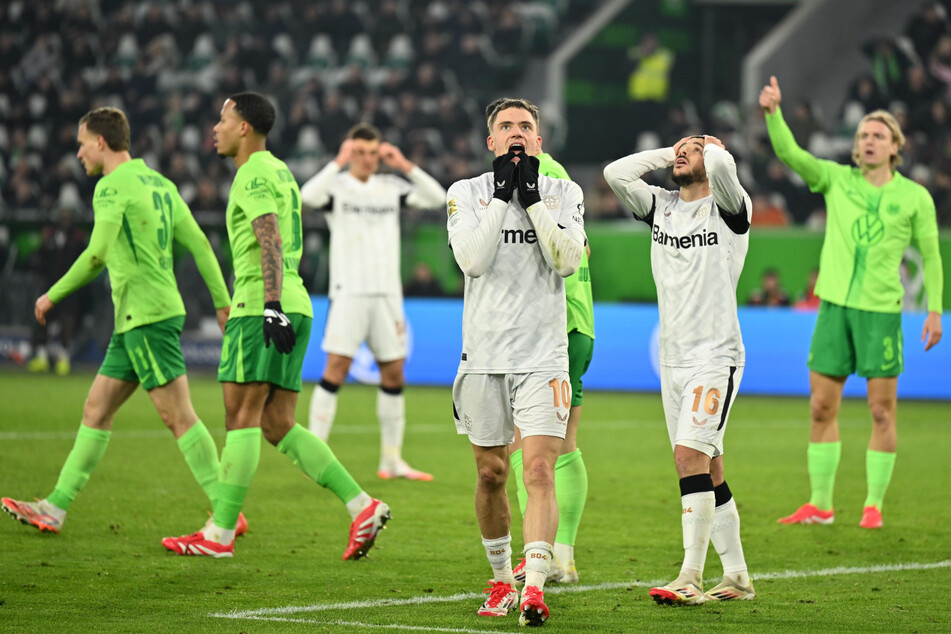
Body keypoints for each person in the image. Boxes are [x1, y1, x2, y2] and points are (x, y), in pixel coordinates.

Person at [161, 92, 390, 558]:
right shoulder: (282, 171)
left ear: (244, 126)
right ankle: (361, 505)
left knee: (239, 418)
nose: (215, 128)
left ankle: (219, 535)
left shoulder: (252, 174)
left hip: (263, 305)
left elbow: (268, 234)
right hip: (296, 301)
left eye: (222, 119)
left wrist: (267, 304)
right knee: (278, 423)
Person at [2, 107, 233, 538]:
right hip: (138, 319)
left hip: (147, 315)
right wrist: (222, 303)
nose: (78, 151)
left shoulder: (111, 187)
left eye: (82, 142)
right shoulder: (160, 183)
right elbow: (201, 243)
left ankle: (226, 510)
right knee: (96, 409)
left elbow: (96, 253)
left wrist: (53, 293)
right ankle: (55, 507)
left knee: (179, 417)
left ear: (102, 143)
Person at [760, 76, 944, 529]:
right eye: (863, 135)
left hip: (881, 312)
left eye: (878, 135)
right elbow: (791, 156)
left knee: (882, 411)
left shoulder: (914, 197)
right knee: (821, 407)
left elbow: (933, 255)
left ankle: (873, 505)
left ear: (895, 146)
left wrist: (935, 308)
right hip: (834, 307)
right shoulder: (837, 179)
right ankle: (820, 504)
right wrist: (774, 114)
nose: (868, 141)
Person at [448, 97, 585, 626]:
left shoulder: (563, 193)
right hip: (483, 356)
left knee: (538, 469)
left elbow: (566, 260)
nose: (516, 133)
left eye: (525, 126)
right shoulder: (466, 193)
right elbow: (473, 261)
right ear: (490, 141)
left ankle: (533, 586)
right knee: (490, 473)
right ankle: (501, 577)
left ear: (539, 141)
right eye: (505, 126)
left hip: (542, 356)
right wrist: (505, 194)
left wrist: (531, 198)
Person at [604, 134, 756, 605]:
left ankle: (689, 576)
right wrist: (672, 153)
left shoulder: (731, 206)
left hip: (716, 356)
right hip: (672, 359)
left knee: (688, 456)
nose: (682, 152)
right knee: (707, 467)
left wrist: (712, 149)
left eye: (695, 147)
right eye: (679, 147)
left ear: (715, 157)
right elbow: (615, 173)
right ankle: (736, 577)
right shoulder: (661, 207)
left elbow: (726, 171)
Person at [301, 123, 445, 481]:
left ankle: (391, 460)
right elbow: (306, 197)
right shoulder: (337, 189)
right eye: (360, 152)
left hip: (387, 296)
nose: (367, 160)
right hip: (349, 291)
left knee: (394, 372)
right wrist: (337, 162)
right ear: (351, 152)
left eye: (373, 153)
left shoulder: (390, 188)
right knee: (335, 368)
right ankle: (314, 455)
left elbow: (438, 198)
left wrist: (404, 164)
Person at [509, 149, 594, 585]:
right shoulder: (565, 180)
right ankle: (563, 555)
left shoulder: (535, 177)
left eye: (519, 129)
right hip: (579, 322)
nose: (513, 138)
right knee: (565, 444)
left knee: (526, 447)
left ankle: (538, 554)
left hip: (549, 324)